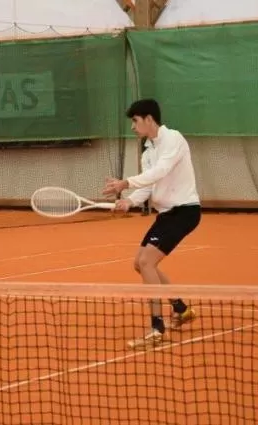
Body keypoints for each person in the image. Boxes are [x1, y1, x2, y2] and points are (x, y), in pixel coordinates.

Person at [102, 98, 201, 349]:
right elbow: (149, 185)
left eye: (135, 121)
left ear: (149, 119)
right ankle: (180, 308)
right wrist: (129, 201)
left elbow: (161, 171)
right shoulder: (148, 152)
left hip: (185, 211)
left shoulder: (174, 139)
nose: (132, 127)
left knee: (147, 262)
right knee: (140, 264)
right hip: (166, 214)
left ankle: (157, 328)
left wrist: (125, 183)